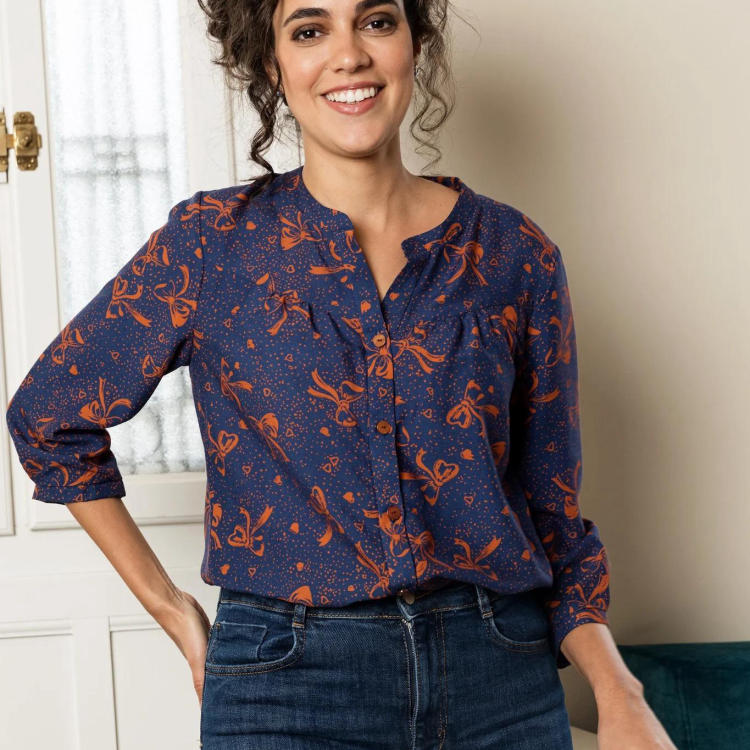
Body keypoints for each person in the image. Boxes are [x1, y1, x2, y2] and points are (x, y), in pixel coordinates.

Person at [5, 1, 677, 748]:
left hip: (499, 676)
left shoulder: (514, 253)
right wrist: (171, 607)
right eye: (310, 30)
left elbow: (553, 513)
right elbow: (48, 418)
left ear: (414, 43)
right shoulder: (212, 245)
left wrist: (619, 691)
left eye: (377, 21)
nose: (349, 54)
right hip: (285, 684)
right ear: (273, 64)